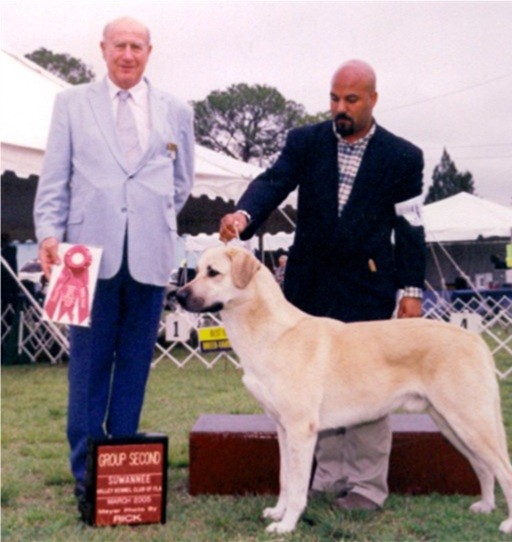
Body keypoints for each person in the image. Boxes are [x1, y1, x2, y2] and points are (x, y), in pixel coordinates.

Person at [220, 60, 426, 512]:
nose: (340, 108)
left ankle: (368, 487)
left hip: (367, 285)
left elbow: (410, 227)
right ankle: (328, 479)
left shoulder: (403, 157)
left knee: (369, 386)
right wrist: (244, 216)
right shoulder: (305, 142)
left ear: (373, 99)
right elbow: (273, 182)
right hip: (309, 285)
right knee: (310, 388)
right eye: (334, 98)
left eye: (351, 99)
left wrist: (410, 289)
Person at [34, 16, 194, 514]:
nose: (128, 54)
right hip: (83, 256)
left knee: (134, 366)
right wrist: (48, 234)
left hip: (150, 254)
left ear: (150, 51)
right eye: (119, 46)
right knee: (87, 366)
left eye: (137, 46)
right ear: (103, 50)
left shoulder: (177, 110)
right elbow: (54, 178)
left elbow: (181, 183)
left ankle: (123, 463)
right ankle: (86, 474)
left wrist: (151, 218)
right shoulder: (71, 103)